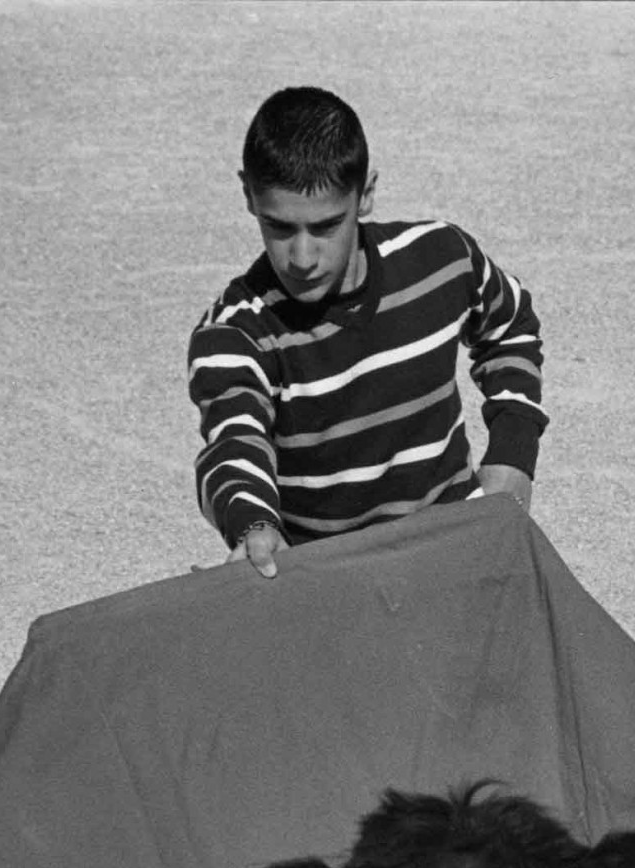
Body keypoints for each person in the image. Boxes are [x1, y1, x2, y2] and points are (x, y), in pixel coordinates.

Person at [190, 86, 545, 579]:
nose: (302, 258)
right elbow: (233, 443)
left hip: (456, 556)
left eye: (326, 226)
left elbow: (511, 328)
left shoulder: (441, 260)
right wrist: (252, 523)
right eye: (279, 228)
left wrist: (513, 453)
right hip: (333, 584)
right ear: (247, 194)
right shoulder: (236, 333)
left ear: (367, 194)